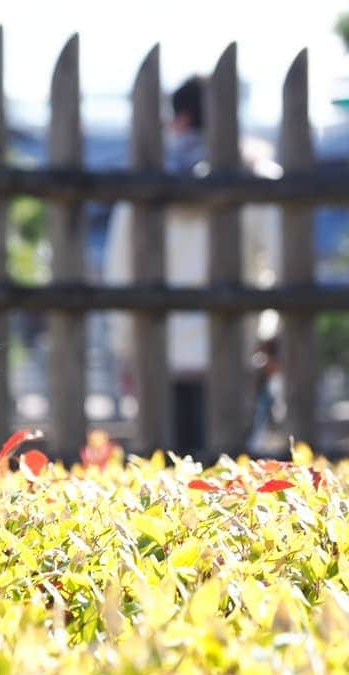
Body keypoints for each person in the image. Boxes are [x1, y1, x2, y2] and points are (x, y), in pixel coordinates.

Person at [103, 75, 282, 456]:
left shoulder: (145, 183)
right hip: (235, 352)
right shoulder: (258, 178)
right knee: (231, 475)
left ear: (179, 119)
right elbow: (283, 267)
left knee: (167, 475)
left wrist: (124, 350)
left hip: (157, 354)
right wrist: (272, 335)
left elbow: (120, 272)